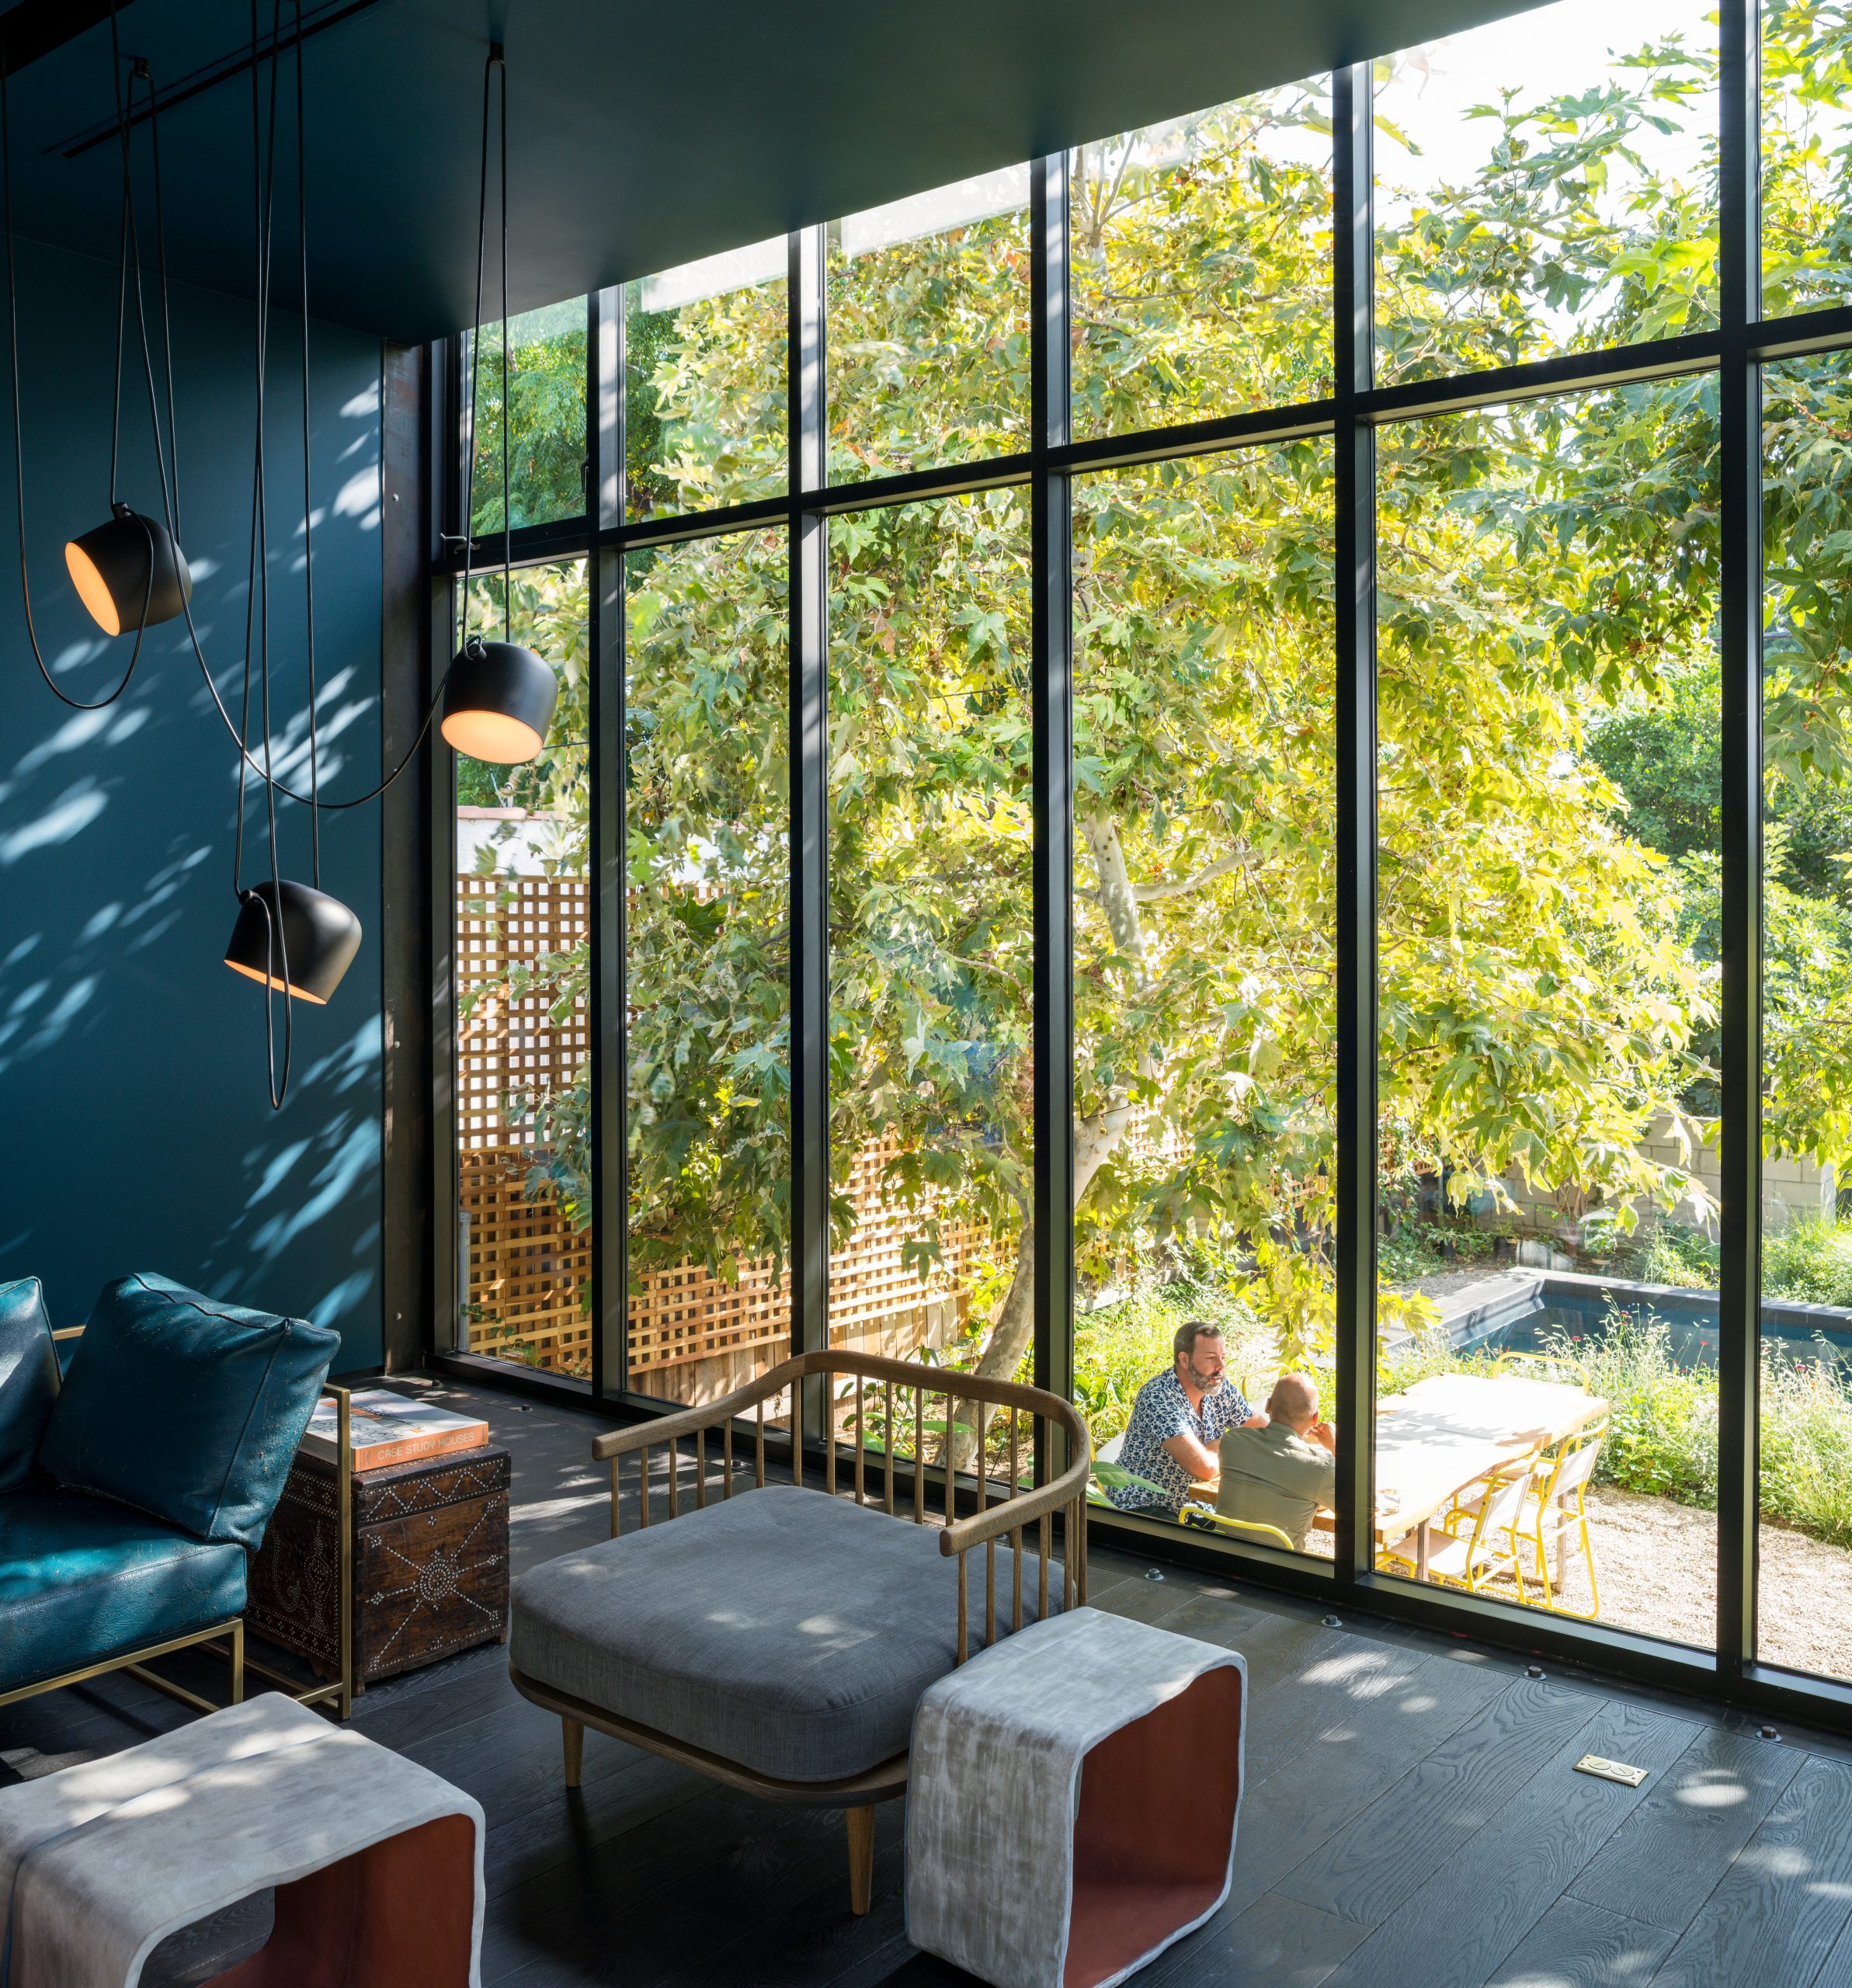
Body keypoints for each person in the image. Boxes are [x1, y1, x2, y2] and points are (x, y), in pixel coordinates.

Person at [1107, 1321, 1267, 1517]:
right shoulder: (1158, 1396)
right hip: (1145, 1503)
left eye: (1223, 1357)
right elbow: (1205, 1469)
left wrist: (1300, 1427)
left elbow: (1265, 1433)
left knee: (1253, 1525)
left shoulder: (1220, 1387)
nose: (1221, 1366)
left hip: (1197, 1504)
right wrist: (1225, 1444)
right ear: (1184, 1360)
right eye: (1211, 1358)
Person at [1216, 1372, 1336, 1552]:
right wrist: (1336, 1448)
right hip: (1279, 1572)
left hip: (1221, 1559)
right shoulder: (1320, 1467)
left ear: (1268, 1405)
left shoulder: (1232, 1441)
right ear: (1315, 1419)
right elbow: (1364, 1508)